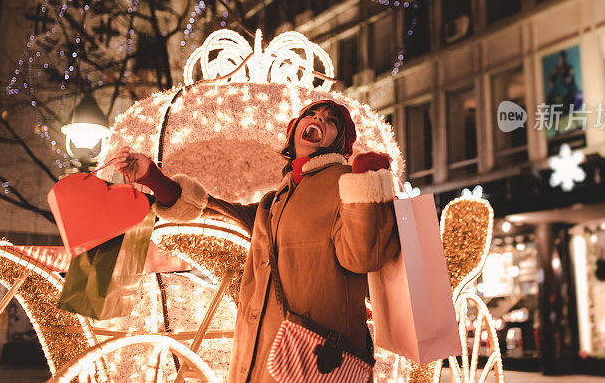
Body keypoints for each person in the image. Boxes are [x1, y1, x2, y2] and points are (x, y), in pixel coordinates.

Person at [115, 99, 399, 382]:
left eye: (331, 120)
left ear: (340, 142)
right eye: (311, 114)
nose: (319, 119)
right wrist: (152, 178)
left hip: (316, 359)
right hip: (259, 351)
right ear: (294, 129)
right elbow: (211, 209)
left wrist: (364, 186)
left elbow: (362, 256)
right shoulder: (275, 199)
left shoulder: (345, 183)